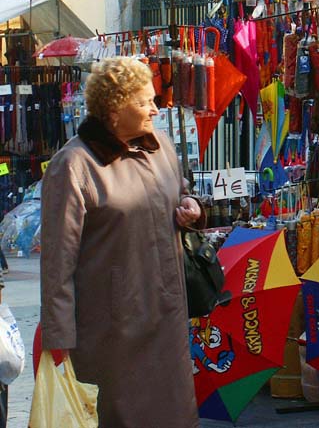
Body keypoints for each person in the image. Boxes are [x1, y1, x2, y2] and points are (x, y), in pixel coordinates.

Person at [40, 57, 204, 428]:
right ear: (114, 109)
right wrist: (58, 337)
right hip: (113, 330)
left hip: (167, 312)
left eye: (154, 99)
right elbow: (57, 263)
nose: (155, 108)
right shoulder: (74, 165)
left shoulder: (159, 146)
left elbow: (180, 193)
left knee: (175, 415)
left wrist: (192, 207)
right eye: (144, 101)